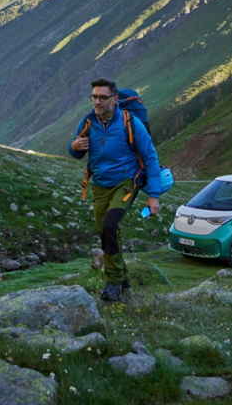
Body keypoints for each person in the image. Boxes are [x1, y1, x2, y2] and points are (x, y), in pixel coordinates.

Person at [69, 78, 162, 301]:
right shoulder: (88, 122)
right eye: (94, 97)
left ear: (115, 99)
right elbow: (77, 152)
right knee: (106, 232)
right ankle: (122, 278)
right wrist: (73, 147)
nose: (97, 101)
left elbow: (150, 157)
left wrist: (154, 196)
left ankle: (112, 283)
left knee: (110, 226)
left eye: (102, 97)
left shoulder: (131, 123)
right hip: (100, 185)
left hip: (126, 183)